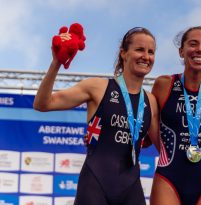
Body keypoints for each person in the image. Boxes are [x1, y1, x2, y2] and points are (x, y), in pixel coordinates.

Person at [33, 27, 159, 205]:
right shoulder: (97, 87)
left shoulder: (151, 101)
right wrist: (56, 63)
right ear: (123, 53)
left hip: (131, 188)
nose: (146, 56)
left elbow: (163, 147)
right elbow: (42, 104)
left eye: (151, 52)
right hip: (95, 184)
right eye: (139, 49)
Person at [150, 26, 201, 205]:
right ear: (181, 51)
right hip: (169, 178)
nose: (200, 50)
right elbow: (144, 128)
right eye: (193, 44)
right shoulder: (164, 85)